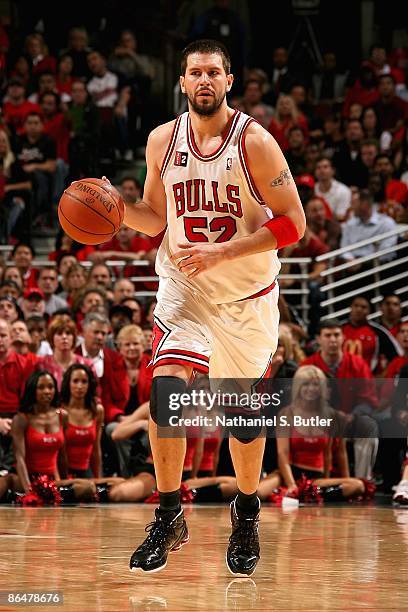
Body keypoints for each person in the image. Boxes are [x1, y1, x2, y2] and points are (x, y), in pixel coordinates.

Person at [121, 39, 305, 576]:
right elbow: (155, 219)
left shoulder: (256, 142)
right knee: (167, 390)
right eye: (194, 72)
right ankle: (169, 512)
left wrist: (224, 252)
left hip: (245, 299)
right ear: (182, 82)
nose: (203, 80)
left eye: (213, 73)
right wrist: (115, 213)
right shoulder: (162, 140)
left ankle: (246, 511)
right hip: (184, 288)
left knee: (243, 421)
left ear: (229, 82)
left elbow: (295, 223)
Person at [259, 366, 365, 501]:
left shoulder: (332, 416)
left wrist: (331, 480)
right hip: (289, 474)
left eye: (315, 384)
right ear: (298, 387)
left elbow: (331, 455)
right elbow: (282, 454)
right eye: (305, 384)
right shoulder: (287, 414)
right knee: (259, 492)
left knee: (357, 486)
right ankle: (299, 494)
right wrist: (292, 484)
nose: (311, 388)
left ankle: (306, 495)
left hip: (315, 478)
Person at [301, 320, 379, 479]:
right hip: (317, 421)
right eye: (328, 335)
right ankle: (309, 479)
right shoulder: (307, 365)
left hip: (349, 420)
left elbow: (369, 400)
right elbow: (298, 400)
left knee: (369, 426)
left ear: (343, 337)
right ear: (318, 339)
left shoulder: (358, 364)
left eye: (336, 335)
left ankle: (362, 481)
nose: (333, 339)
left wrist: (352, 416)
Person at [60, 363, 103, 478]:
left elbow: (96, 448)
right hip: (64, 471)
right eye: (75, 381)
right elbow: (59, 453)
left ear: (89, 385)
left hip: (86, 470)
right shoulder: (60, 411)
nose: (79, 386)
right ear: (68, 383)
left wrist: (98, 478)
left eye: (84, 382)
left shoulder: (97, 411)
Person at [314, 156, 352, 221]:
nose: (321, 170)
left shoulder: (343, 191)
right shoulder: (312, 189)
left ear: (333, 171)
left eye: (325, 167)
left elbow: (341, 217)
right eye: (318, 167)